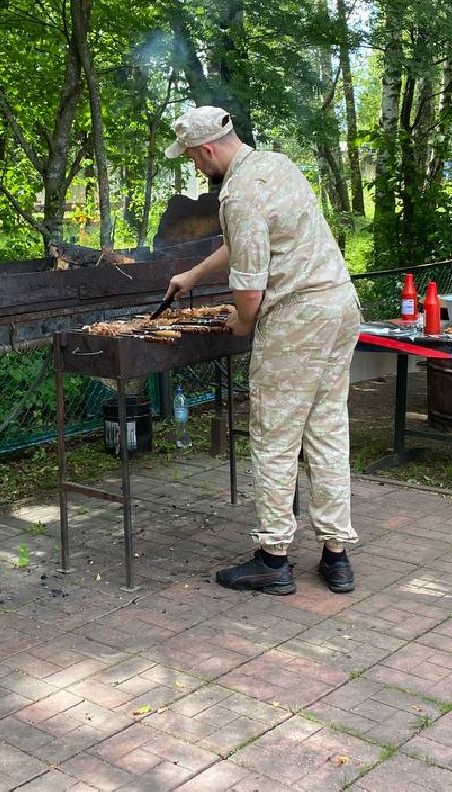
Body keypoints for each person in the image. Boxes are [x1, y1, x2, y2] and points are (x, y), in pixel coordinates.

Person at [163, 106, 363, 596]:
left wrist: (242, 322)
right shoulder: (276, 165)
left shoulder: (238, 194)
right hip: (339, 306)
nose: (193, 166)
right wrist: (192, 276)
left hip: (297, 319)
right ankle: (336, 555)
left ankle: (274, 559)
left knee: (275, 436)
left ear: (208, 149)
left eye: (192, 157)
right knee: (326, 428)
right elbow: (246, 243)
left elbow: (249, 291)